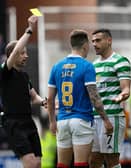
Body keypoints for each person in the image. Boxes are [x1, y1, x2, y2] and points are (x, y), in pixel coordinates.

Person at [47, 29, 113, 168]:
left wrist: (52, 121)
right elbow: (94, 97)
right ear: (85, 46)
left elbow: (50, 99)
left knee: (62, 164)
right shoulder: (87, 66)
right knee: (81, 164)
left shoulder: (56, 67)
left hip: (62, 120)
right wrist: (106, 120)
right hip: (81, 120)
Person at [0, 15, 47, 168]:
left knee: (38, 163)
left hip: (28, 121)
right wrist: (29, 30)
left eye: (26, 52)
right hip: (14, 123)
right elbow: (15, 52)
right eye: (22, 53)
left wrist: (45, 102)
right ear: (11, 57)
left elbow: (34, 98)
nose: (26, 56)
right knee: (31, 164)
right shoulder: (5, 72)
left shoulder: (25, 76)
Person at [90, 29, 131, 168]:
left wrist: (123, 95)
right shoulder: (93, 65)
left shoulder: (120, 61)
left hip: (112, 116)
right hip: (94, 118)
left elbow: (126, 88)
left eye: (98, 40)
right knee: (94, 160)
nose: (94, 44)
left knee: (111, 159)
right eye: (93, 41)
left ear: (109, 40)